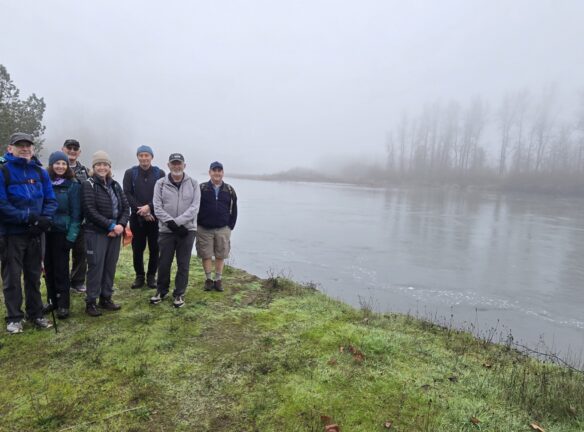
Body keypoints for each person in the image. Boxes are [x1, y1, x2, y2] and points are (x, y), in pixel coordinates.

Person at [0, 132, 57, 333]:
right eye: (20, 145)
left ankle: (36, 313)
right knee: (12, 277)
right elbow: (2, 204)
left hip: (36, 233)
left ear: (33, 149)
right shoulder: (3, 171)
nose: (25, 149)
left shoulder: (40, 172)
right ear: (10, 148)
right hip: (12, 233)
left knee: (34, 275)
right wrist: (28, 217)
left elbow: (50, 200)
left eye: (28, 146)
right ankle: (14, 317)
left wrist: (44, 220)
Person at [82, 151, 129, 317]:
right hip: (96, 233)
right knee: (96, 266)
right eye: (98, 165)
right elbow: (89, 210)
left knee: (110, 266)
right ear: (93, 167)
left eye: (105, 165)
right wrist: (110, 226)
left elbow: (125, 207)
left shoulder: (115, 185)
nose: (102, 168)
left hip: (115, 232)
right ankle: (91, 302)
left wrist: (121, 225)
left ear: (109, 167)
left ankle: (106, 297)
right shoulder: (88, 184)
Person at [150, 153, 200, 308]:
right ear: (168, 165)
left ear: (184, 165)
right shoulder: (160, 184)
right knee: (164, 262)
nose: (176, 166)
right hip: (166, 231)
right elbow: (157, 207)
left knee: (183, 264)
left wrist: (178, 223)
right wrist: (171, 224)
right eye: (173, 163)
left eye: (179, 163)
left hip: (187, 230)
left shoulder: (194, 183)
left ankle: (179, 293)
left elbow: (195, 207)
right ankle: (161, 290)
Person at [42, 151, 81, 319]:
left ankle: (63, 304)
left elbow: (76, 214)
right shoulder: (44, 182)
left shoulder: (73, 185)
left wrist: (71, 237)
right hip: (45, 231)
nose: (60, 166)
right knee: (48, 268)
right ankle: (52, 300)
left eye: (63, 163)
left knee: (61, 270)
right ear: (51, 165)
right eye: (57, 163)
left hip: (62, 233)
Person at [122, 145, 165, 289]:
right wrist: (142, 211)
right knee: (137, 248)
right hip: (137, 217)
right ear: (137, 157)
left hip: (155, 217)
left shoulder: (160, 173)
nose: (144, 158)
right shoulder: (130, 173)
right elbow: (127, 194)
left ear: (152, 157)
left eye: (147, 155)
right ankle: (139, 276)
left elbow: (163, 194)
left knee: (155, 248)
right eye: (141, 155)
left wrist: (149, 207)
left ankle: (151, 276)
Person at [196, 161, 237, 292]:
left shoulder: (229, 189)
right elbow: (194, 207)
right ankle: (209, 280)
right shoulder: (201, 188)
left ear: (223, 173)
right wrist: (196, 223)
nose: (217, 173)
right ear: (210, 172)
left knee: (221, 255)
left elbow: (234, 209)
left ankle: (218, 280)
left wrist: (230, 226)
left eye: (219, 171)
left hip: (223, 228)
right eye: (214, 170)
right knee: (206, 254)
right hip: (204, 228)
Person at [62, 139, 89, 294]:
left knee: (81, 252)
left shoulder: (85, 171)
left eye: (75, 148)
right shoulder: (55, 168)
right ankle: (62, 281)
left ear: (79, 152)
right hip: (62, 219)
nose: (72, 151)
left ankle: (77, 282)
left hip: (81, 220)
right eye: (69, 148)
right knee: (61, 252)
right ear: (63, 149)